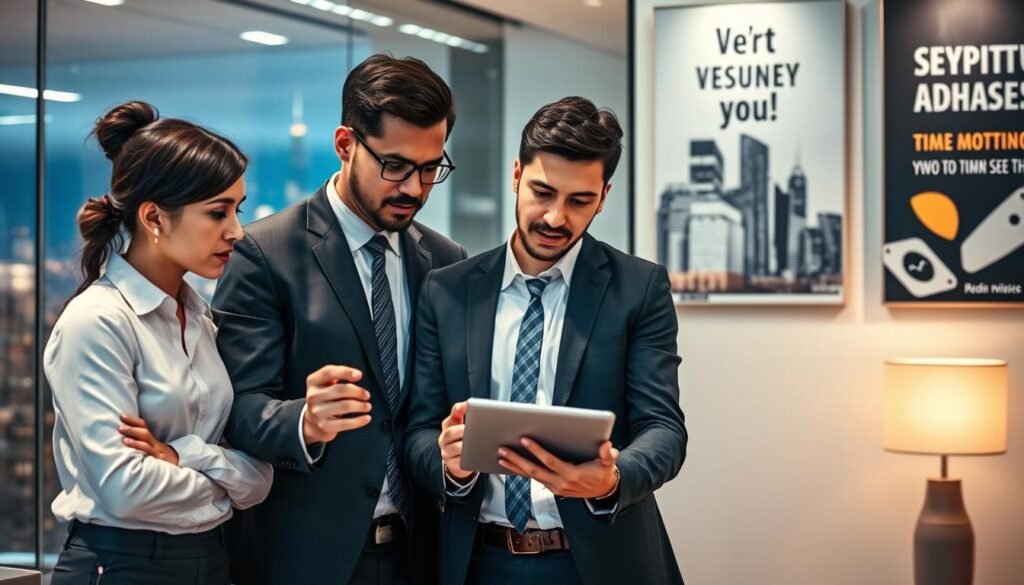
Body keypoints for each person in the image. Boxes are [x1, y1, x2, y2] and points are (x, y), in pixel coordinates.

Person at [404, 97, 687, 585]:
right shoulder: (446, 290)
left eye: (579, 201)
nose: (555, 218)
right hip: (476, 561)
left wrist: (613, 479)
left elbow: (664, 429)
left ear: (603, 197)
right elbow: (418, 432)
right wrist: (448, 461)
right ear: (516, 175)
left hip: (598, 560)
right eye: (542, 192)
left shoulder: (638, 289)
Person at [211, 54, 466, 585]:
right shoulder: (265, 252)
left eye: (429, 169)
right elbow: (236, 407)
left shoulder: (445, 261)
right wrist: (304, 420)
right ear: (346, 144)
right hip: (304, 557)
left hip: (419, 555)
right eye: (394, 166)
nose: (414, 189)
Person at [45, 100, 273, 585]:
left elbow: (259, 479)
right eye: (218, 212)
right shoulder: (97, 321)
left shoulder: (199, 317)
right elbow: (125, 489)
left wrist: (183, 453)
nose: (236, 231)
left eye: (238, 209)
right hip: (120, 566)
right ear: (153, 217)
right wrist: (223, 483)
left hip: (211, 562)